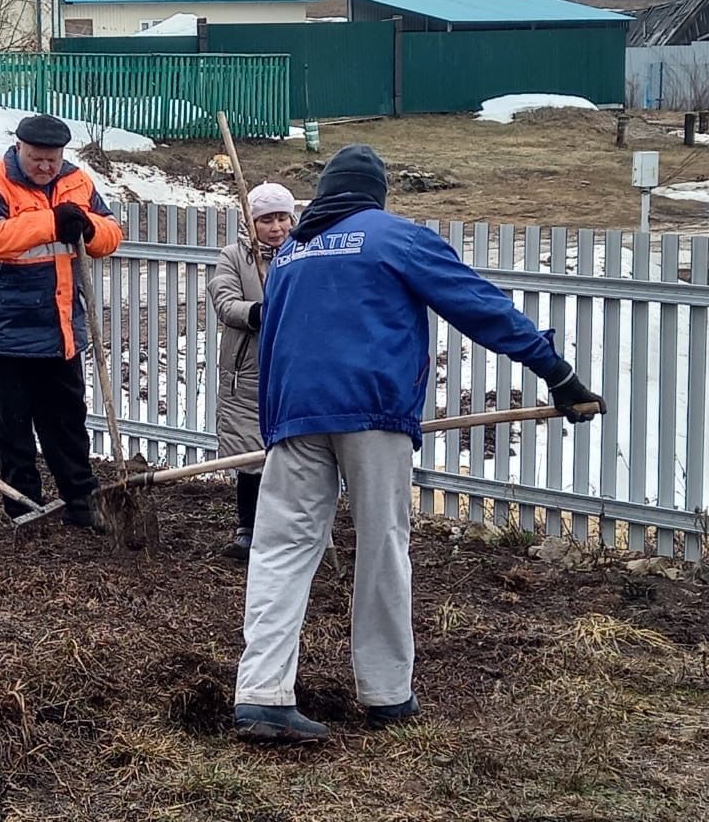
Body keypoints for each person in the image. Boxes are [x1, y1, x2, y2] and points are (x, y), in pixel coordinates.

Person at [233, 144, 605, 743]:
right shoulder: (391, 236)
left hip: (295, 416)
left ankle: (261, 695)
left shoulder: (290, 253)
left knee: (280, 552)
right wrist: (556, 373)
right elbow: (478, 306)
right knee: (381, 546)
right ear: (375, 193)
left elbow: (273, 338)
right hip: (373, 410)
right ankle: (385, 694)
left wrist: (274, 423)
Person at [0, 114, 123, 528]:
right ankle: (23, 506)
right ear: (19, 148)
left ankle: (81, 501)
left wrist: (87, 225)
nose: (45, 167)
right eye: (37, 158)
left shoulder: (78, 182)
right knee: (13, 424)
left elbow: (111, 235)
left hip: (61, 329)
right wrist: (51, 221)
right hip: (8, 328)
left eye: (52, 160)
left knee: (68, 420)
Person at [207, 182, 295, 561]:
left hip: (294, 366)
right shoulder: (234, 257)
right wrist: (257, 313)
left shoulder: (303, 251)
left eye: (282, 218)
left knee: (294, 452)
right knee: (250, 453)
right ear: (250, 222)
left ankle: (291, 529)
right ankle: (247, 527)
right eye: (266, 220)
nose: (276, 228)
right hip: (248, 370)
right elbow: (224, 302)